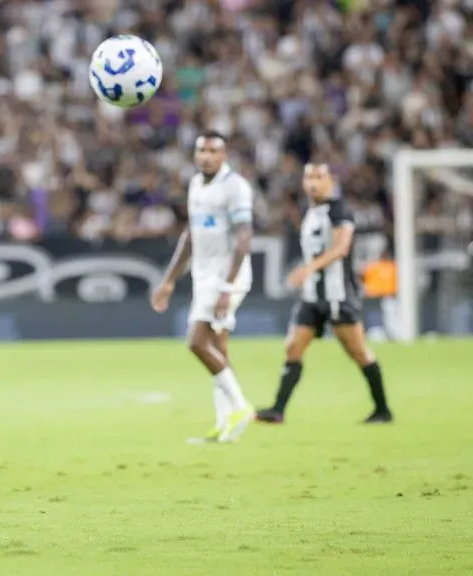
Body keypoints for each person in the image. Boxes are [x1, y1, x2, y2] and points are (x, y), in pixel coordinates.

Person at [256, 163, 392, 424]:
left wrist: (309, 268)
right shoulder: (311, 211)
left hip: (338, 295)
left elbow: (342, 248)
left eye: (319, 177)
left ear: (331, 181)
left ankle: (383, 409)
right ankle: (277, 410)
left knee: (358, 352)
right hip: (312, 296)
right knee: (293, 346)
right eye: (308, 177)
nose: (313, 182)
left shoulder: (339, 209)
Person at [151, 131, 256, 443]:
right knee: (218, 348)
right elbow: (191, 234)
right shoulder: (196, 184)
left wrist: (226, 287)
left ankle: (240, 406)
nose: (207, 156)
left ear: (224, 156)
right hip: (203, 276)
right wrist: (169, 280)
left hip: (226, 278)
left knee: (196, 342)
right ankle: (226, 425)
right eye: (202, 150)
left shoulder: (235, 187)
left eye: (213, 150)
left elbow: (244, 239)